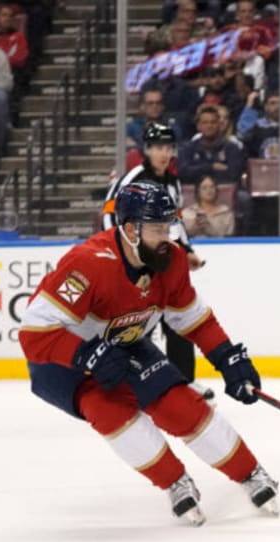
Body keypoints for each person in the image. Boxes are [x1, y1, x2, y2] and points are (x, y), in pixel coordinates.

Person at [19, 181, 278, 525]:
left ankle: (251, 473)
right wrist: (86, 355)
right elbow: (34, 335)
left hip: (122, 341)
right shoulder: (87, 264)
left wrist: (227, 357)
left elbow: (193, 319)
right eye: (157, 228)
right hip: (61, 359)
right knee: (108, 409)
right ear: (129, 230)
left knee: (179, 405)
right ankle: (174, 482)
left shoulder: (170, 261)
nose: (167, 236)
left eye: (168, 226)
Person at [103, 122, 209, 395]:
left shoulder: (172, 182)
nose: (163, 152)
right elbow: (109, 215)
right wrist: (123, 257)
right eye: (157, 147)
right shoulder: (133, 178)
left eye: (168, 147)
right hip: (136, 261)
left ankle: (183, 381)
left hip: (163, 261)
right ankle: (132, 381)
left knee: (177, 317)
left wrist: (186, 251)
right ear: (147, 150)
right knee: (138, 320)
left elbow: (174, 221)